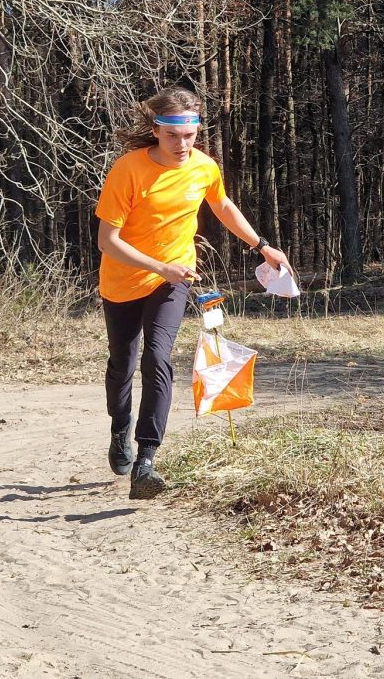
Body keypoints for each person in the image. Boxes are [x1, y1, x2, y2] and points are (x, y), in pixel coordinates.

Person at [94, 87, 290, 499]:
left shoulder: (203, 167)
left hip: (173, 278)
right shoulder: (128, 170)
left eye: (190, 135)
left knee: (158, 358)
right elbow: (107, 241)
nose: (182, 145)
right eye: (172, 136)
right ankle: (119, 429)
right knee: (122, 366)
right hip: (124, 279)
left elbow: (222, 206)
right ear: (156, 130)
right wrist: (156, 265)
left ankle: (146, 460)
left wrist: (261, 245)